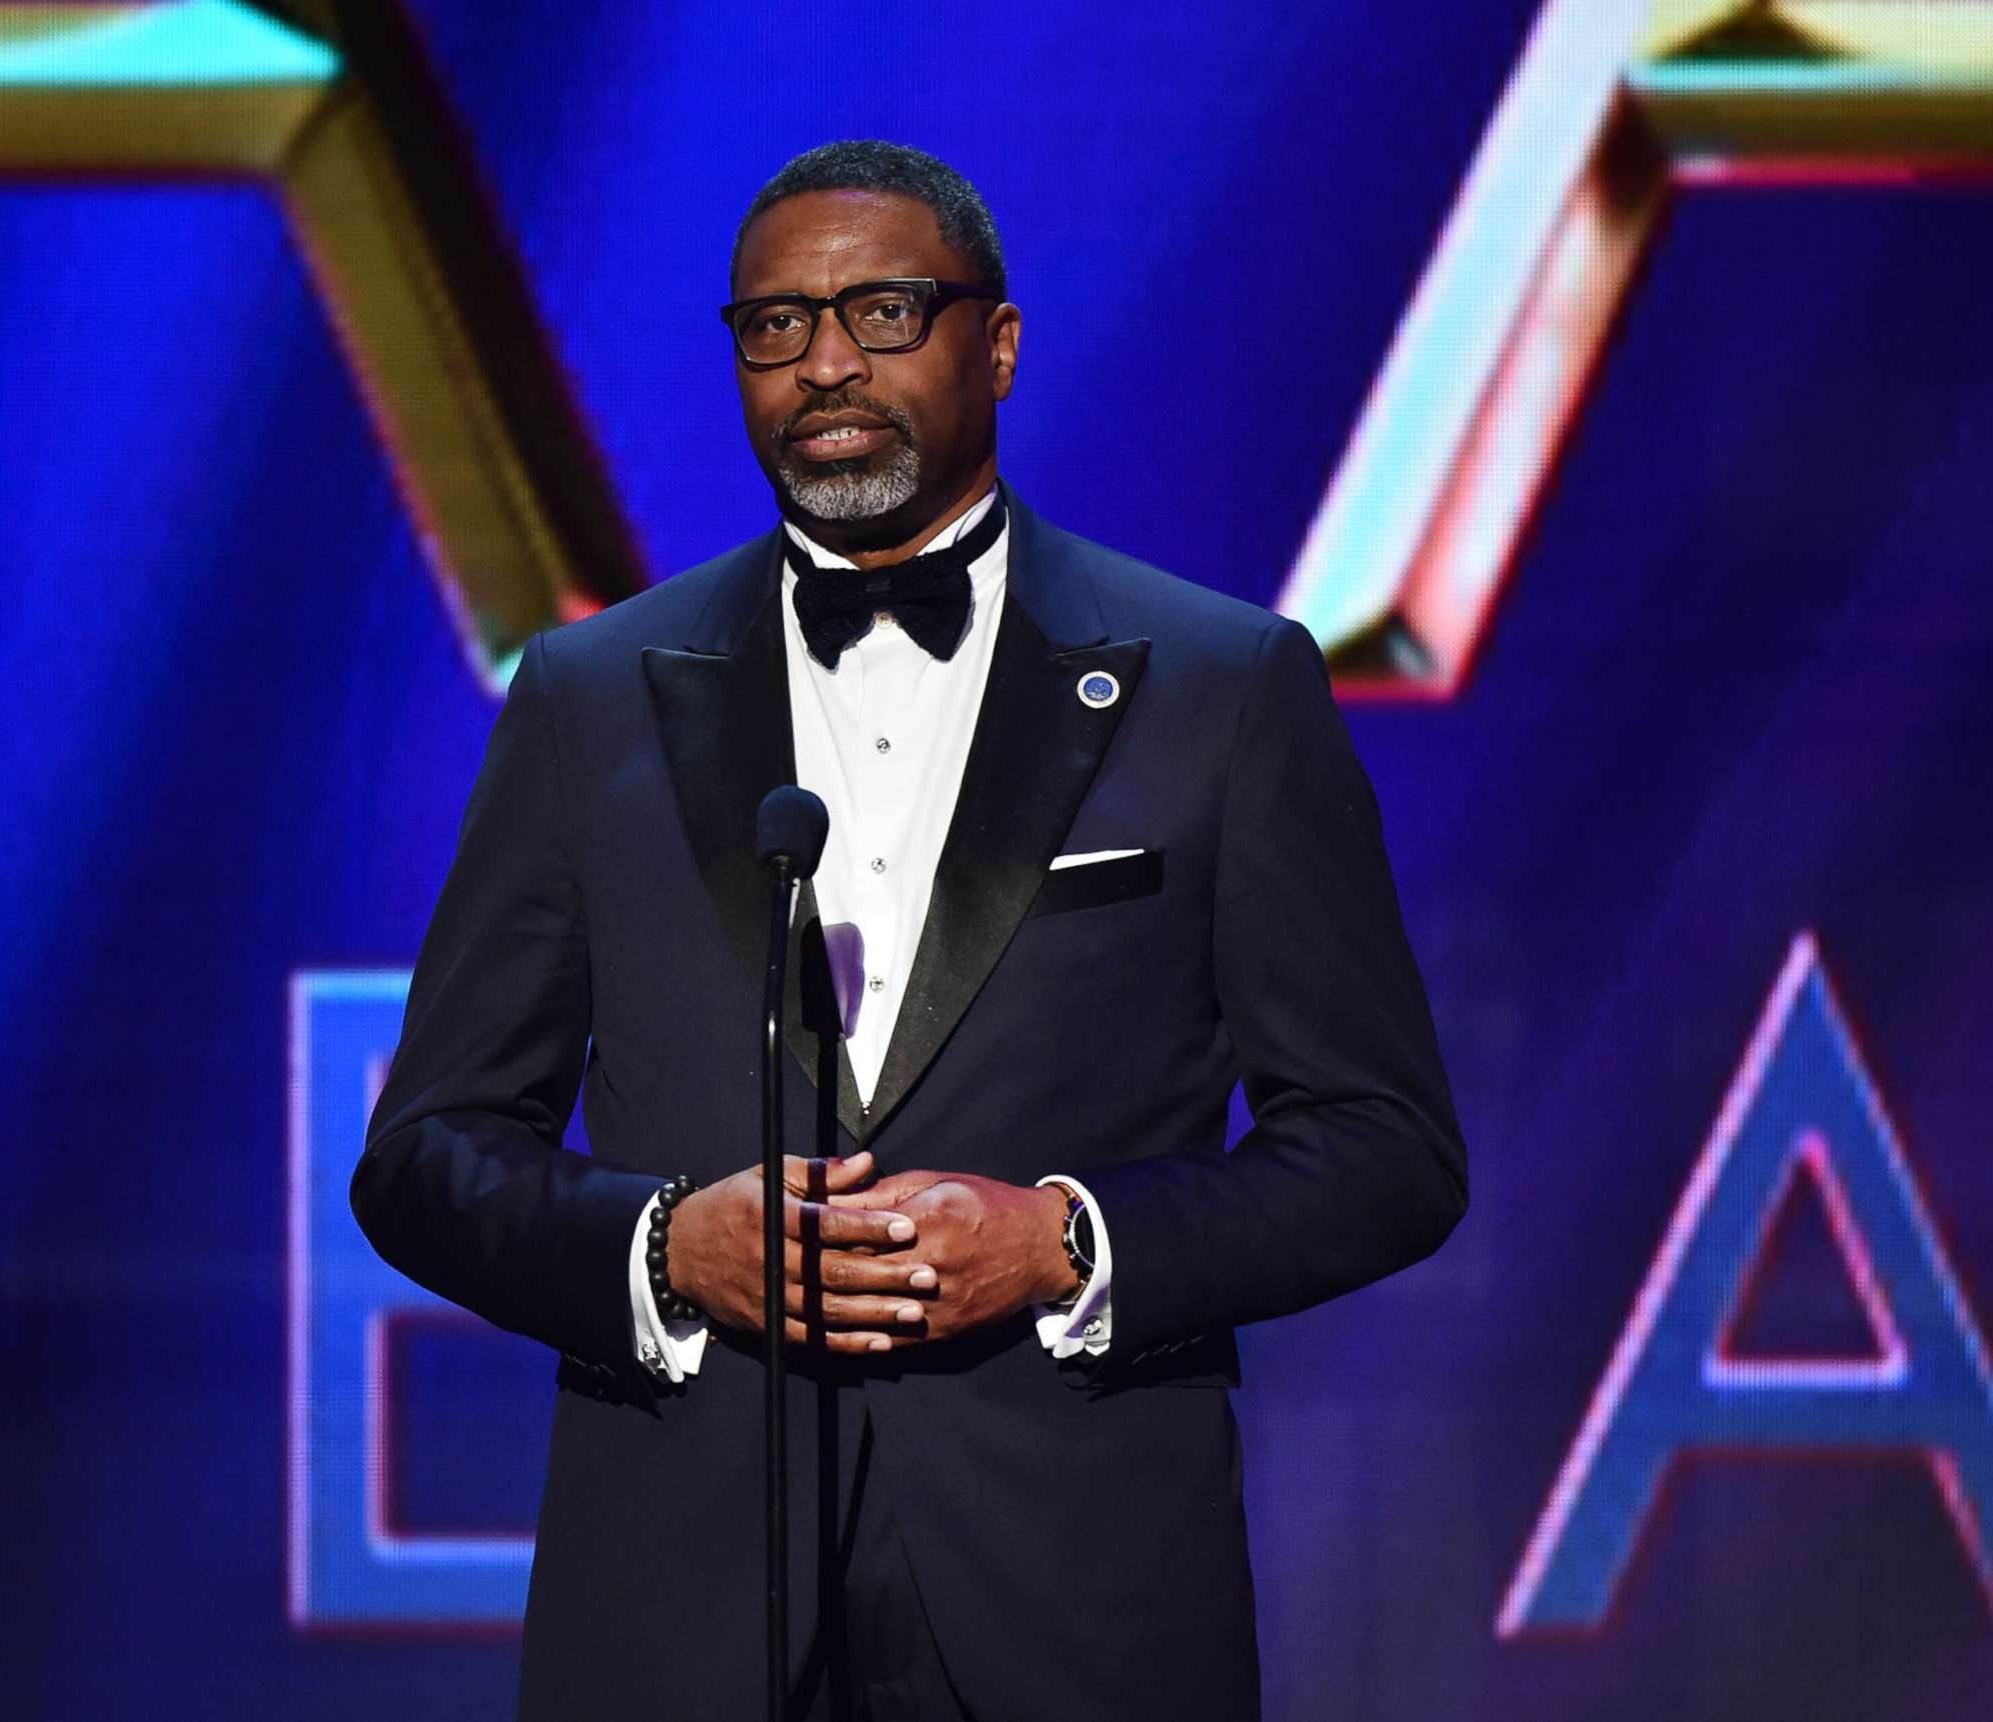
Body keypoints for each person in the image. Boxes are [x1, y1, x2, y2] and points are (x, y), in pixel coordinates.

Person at [352, 139, 1467, 1722]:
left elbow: (1385, 1145)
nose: (825, 363)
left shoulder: (1223, 689)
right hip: (680, 1615)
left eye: (883, 311)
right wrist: (667, 1249)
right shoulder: (586, 699)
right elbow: (427, 1153)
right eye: (776, 325)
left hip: (1073, 1604)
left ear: (998, 345)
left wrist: (1069, 1241)